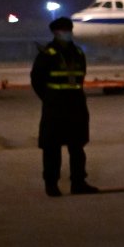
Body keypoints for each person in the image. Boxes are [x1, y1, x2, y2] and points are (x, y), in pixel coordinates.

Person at [32, 16, 95, 196]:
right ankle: (51, 184)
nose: (67, 33)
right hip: (55, 107)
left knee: (77, 147)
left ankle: (78, 182)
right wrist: (49, 98)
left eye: (69, 30)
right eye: (64, 31)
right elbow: (37, 80)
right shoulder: (47, 54)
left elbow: (80, 77)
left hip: (76, 106)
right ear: (56, 33)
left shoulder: (78, 53)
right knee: (52, 147)